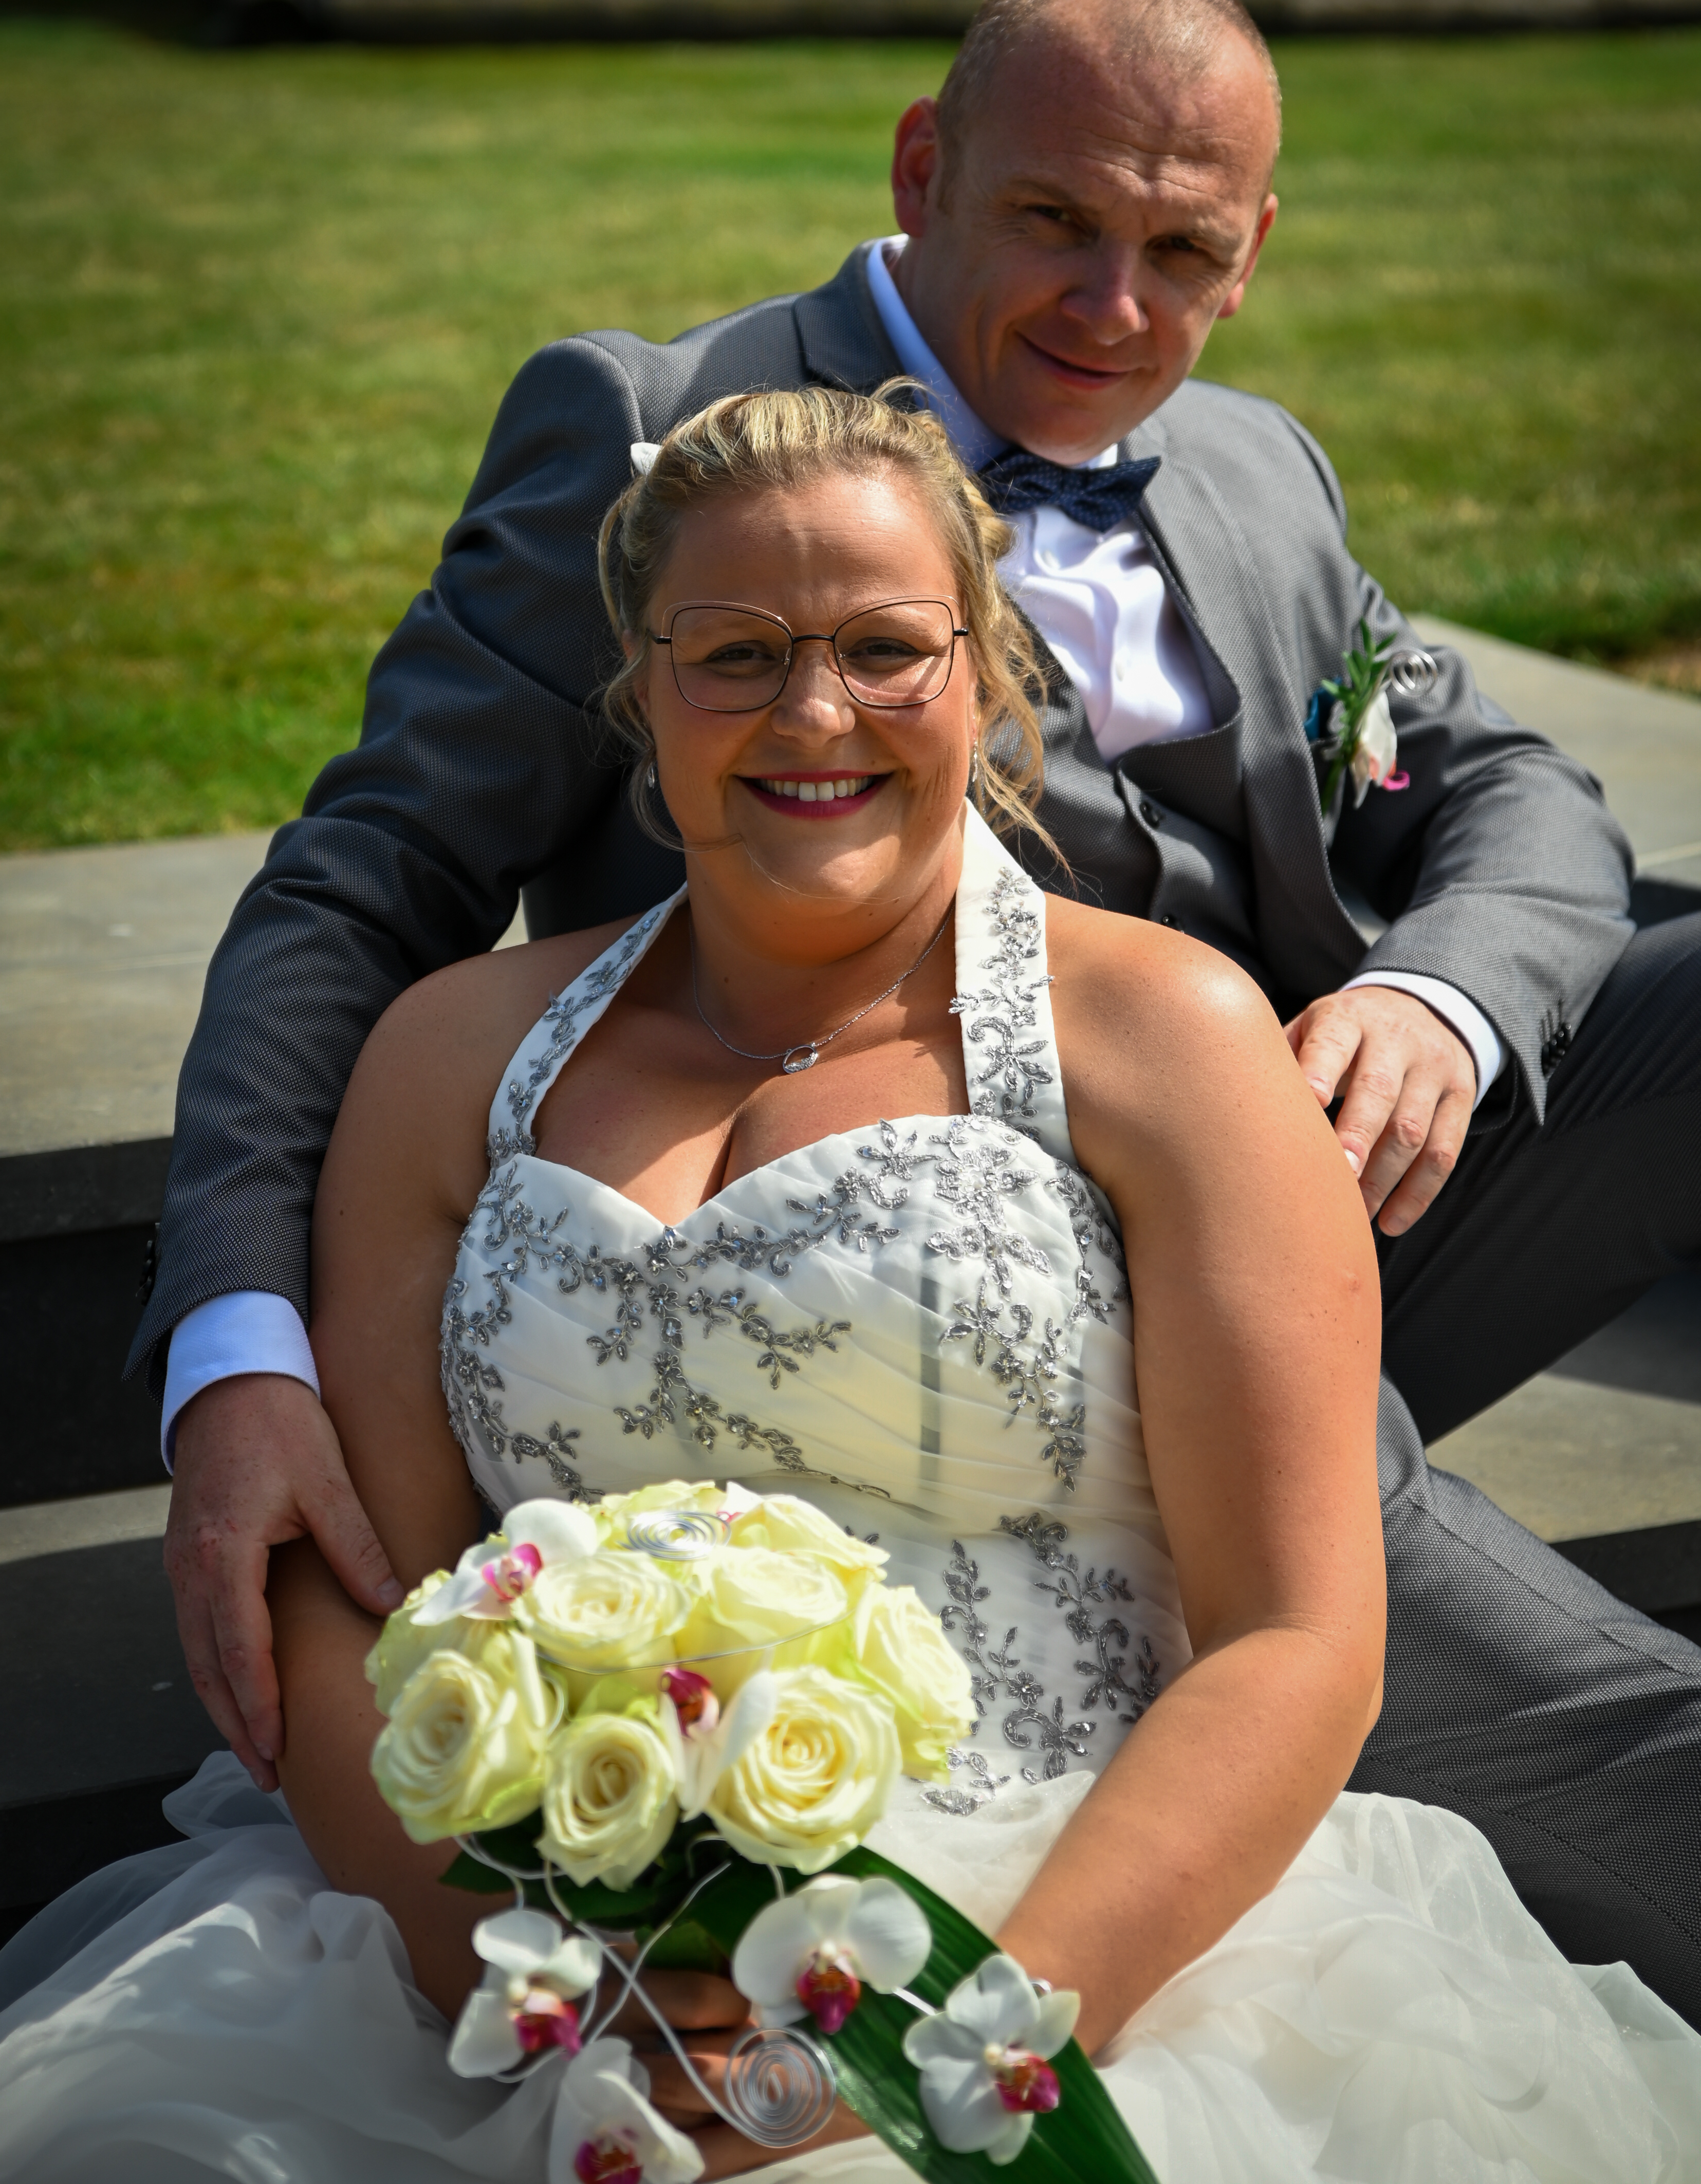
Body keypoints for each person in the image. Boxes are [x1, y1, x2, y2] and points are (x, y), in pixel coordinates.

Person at [141, 0, 1701, 2012]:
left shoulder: (1251, 469)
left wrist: (1442, 999)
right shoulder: (651, 430)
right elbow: (362, 882)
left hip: (1291, 1181)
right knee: (1649, 1759)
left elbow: (1501, 784)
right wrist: (236, 1340)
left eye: (1182, 248)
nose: (1113, 305)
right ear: (920, 168)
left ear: (1251, 255)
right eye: (1054, 220)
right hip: (969, 1309)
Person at [5, 388, 1696, 2180]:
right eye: (736, 653)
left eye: (886, 649)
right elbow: (361, 1593)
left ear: (985, 678)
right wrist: (551, 1991)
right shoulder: (454, 1058)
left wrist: (945, 2051)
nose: (816, 713)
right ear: (640, 699)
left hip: (1058, 1931)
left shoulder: (1165, 1039)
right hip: (540, 1954)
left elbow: (1297, 1637)